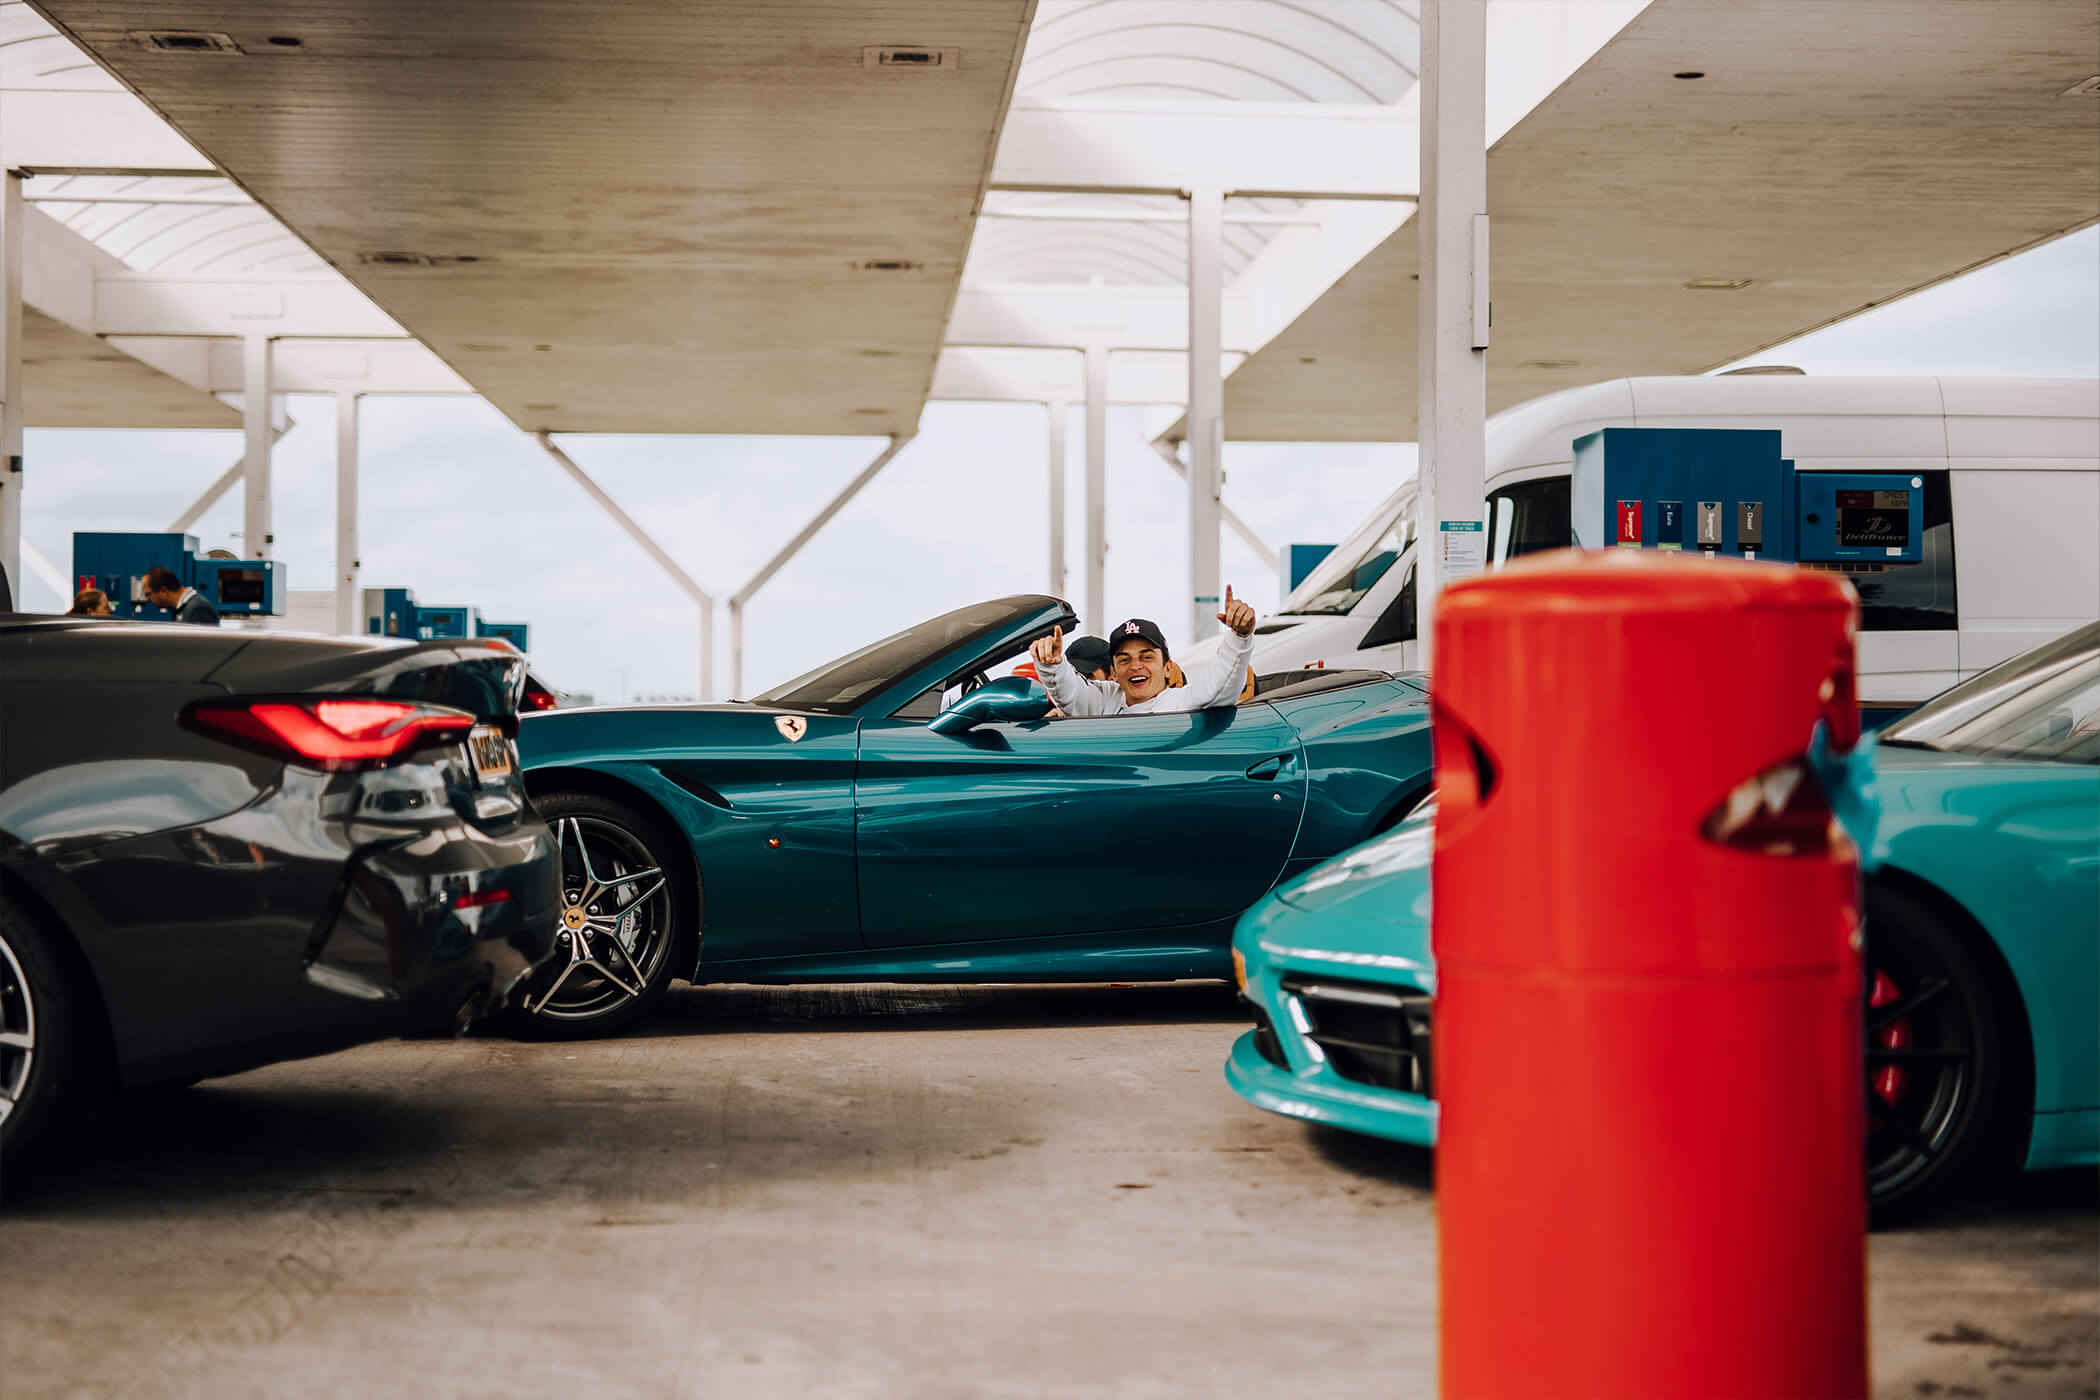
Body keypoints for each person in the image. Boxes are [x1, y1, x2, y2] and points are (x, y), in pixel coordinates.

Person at [1031, 586, 1258, 716]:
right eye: (1124, 659)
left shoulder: (1181, 702)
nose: (1135, 666)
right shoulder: (1107, 700)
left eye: (1147, 657)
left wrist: (1239, 636)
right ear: (1114, 672)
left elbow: (1219, 687)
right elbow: (1071, 694)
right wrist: (1052, 664)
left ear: (1167, 668)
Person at [141, 566, 220, 626]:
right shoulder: (181, 609)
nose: (147, 599)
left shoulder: (197, 609)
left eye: (148, 594)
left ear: (163, 591)